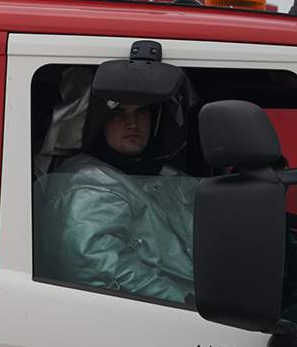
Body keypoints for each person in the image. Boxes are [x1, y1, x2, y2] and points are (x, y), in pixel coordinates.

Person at [36, 98, 197, 304]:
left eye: (141, 111)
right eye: (118, 113)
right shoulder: (88, 184)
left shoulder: (163, 174)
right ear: (98, 122)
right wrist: (182, 301)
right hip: (158, 311)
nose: (132, 123)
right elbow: (97, 263)